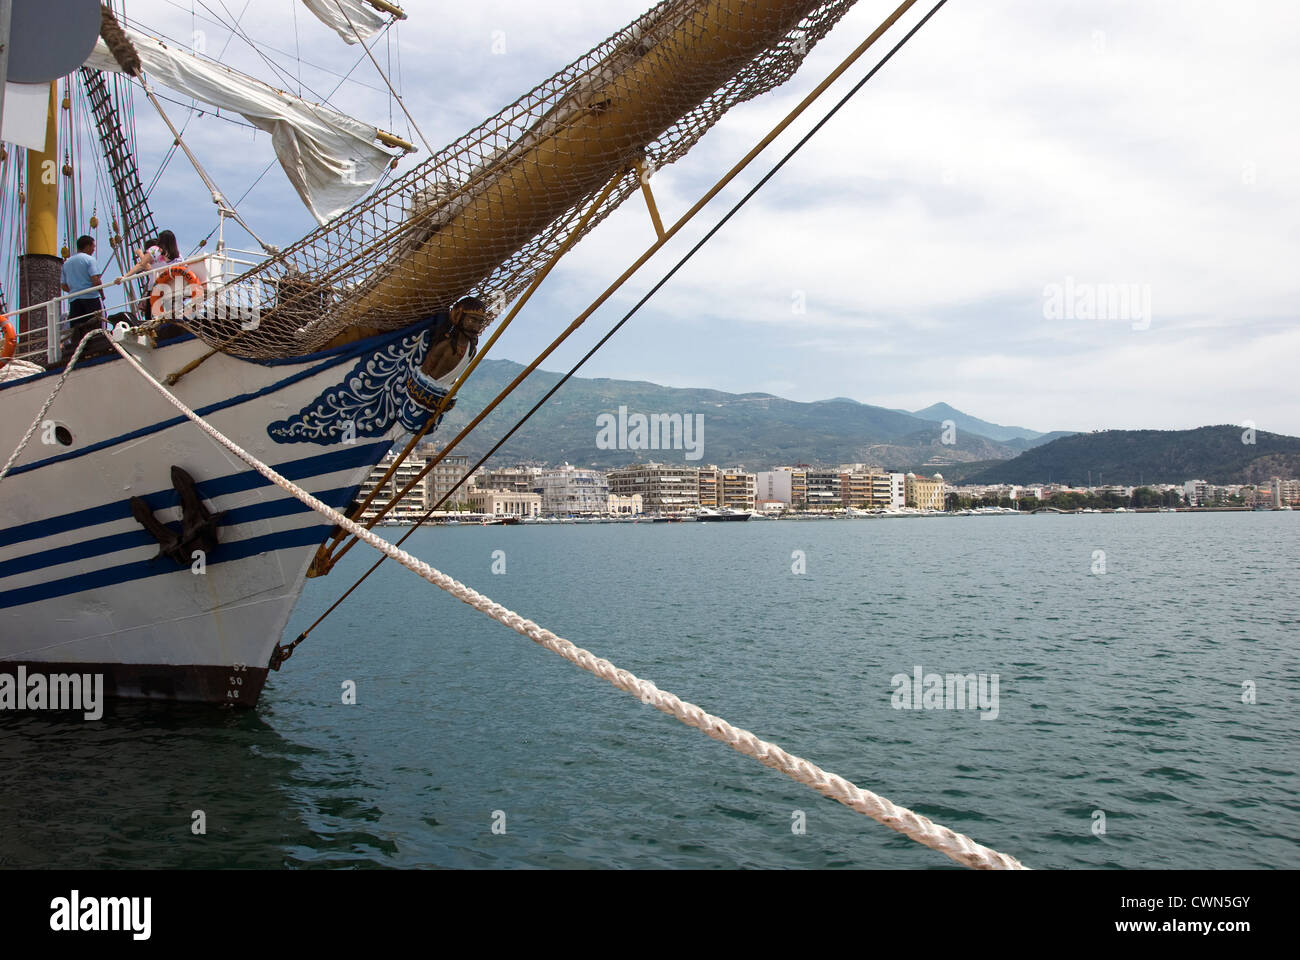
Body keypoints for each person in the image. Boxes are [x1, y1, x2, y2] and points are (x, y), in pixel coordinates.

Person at [60, 235, 104, 335]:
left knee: (77, 329)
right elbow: (95, 280)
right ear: (87, 246)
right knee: (94, 328)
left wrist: (75, 290)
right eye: (93, 246)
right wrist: (102, 294)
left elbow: (63, 285)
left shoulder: (66, 263)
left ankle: (78, 346)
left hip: (74, 300)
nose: (93, 249)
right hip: (91, 298)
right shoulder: (89, 259)